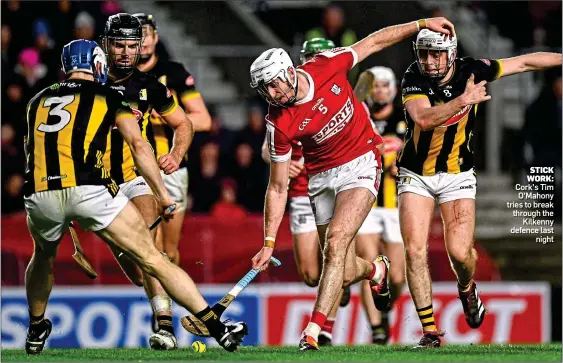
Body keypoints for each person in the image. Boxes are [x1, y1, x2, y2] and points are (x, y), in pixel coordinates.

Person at [22, 39, 248, 355]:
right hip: (92, 189)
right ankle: (217, 328)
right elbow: (140, 147)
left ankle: (34, 330)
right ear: (98, 64)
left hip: (41, 193)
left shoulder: (38, 100)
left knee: (42, 257)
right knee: (153, 257)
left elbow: (33, 153)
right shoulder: (107, 96)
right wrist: (163, 195)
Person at [249, 17, 456, 351]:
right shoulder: (278, 122)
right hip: (320, 178)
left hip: (360, 163)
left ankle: (312, 332)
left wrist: (420, 24)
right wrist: (269, 241)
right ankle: (375, 271)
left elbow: (373, 42)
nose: (271, 94)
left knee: (336, 243)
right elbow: (276, 187)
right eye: (265, 90)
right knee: (342, 269)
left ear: (288, 72)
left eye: (273, 85)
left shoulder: (325, 66)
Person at [398, 28, 562, 348]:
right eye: (423, 54)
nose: (429, 62)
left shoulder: (472, 69)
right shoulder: (413, 78)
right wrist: (464, 99)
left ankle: (467, 288)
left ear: (451, 53)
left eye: (436, 54)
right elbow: (424, 119)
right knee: (415, 249)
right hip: (416, 173)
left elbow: (525, 63)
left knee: (461, 254)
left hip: (458, 174)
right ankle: (430, 331)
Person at [99, 13, 192, 350]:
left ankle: (164, 327)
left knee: (151, 251)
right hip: (97, 187)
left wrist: (176, 155)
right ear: (106, 45)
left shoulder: (150, 85)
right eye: (119, 45)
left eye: (131, 46)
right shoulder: (86, 84)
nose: (125, 52)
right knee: (139, 272)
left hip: (136, 178)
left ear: (140, 47)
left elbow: (184, 123)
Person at [260, 37, 349, 346]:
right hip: (300, 192)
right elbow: (267, 153)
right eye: (310, 56)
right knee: (311, 273)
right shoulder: (281, 110)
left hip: (336, 183)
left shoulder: (337, 88)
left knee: (335, 256)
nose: (315, 60)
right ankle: (374, 271)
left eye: (319, 56)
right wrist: (285, 165)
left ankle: (323, 329)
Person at [133, 12, 212, 347]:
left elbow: (203, 120)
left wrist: (162, 115)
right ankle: (163, 320)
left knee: (168, 250)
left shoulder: (174, 74)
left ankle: (166, 319)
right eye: (136, 35)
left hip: (172, 170)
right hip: (132, 172)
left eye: (147, 32)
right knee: (147, 251)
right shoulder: (116, 77)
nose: (143, 39)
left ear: (155, 36)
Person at [354, 66, 406, 345]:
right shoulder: (358, 117)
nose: (380, 91)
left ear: (394, 89)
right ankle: (376, 330)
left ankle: (384, 311)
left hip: (397, 203)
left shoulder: (407, 118)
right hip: (367, 203)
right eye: (376, 86)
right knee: (371, 267)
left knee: (397, 275)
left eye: (385, 86)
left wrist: (405, 163)